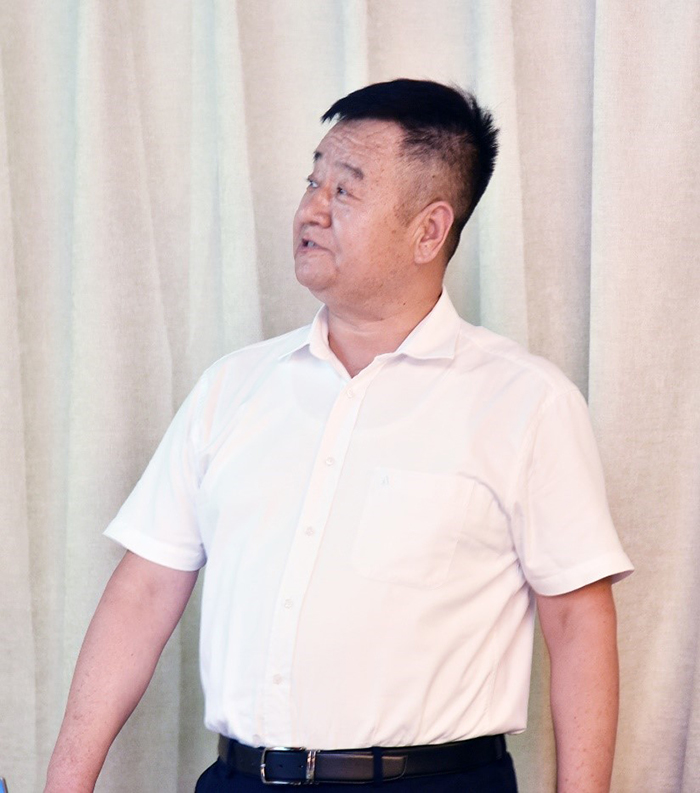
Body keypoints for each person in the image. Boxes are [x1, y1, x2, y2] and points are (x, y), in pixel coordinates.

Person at [45, 79, 633, 792]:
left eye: (345, 190)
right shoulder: (233, 388)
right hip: (240, 778)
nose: (312, 209)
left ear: (429, 230)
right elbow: (142, 592)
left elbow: (577, 625)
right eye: (312, 181)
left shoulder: (526, 402)